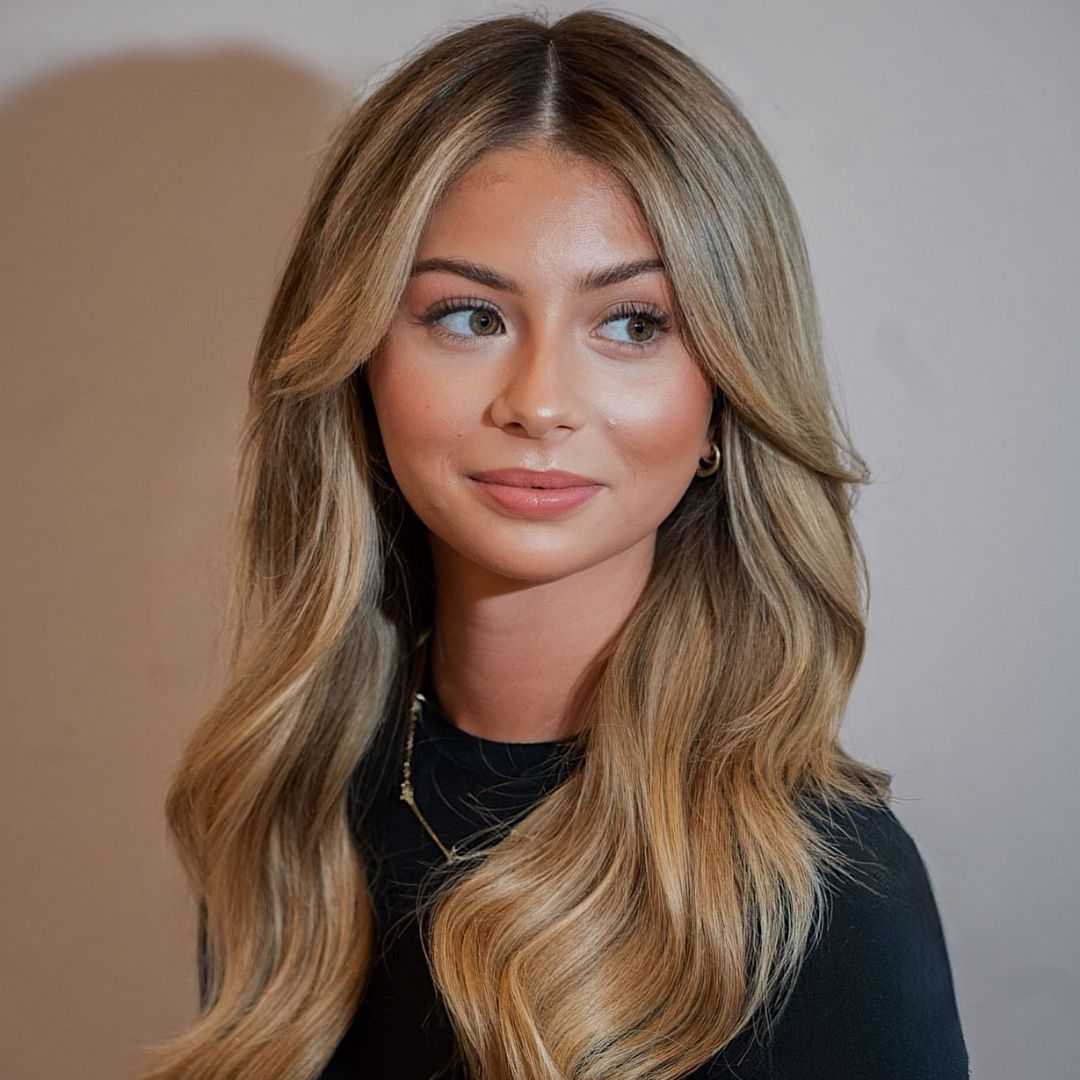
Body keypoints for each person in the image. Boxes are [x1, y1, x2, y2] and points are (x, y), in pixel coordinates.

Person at [139, 10, 970, 1080]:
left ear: (723, 390)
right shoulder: (289, 810)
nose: (540, 403)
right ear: (359, 363)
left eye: (631, 324)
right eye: (469, 316)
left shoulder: (822, 890)